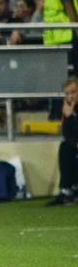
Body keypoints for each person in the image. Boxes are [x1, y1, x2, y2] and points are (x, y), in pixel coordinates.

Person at [47, 76, 78, 206]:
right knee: (66, 147)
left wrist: (71, 116)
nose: (70, 96)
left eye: (73, 92)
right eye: (67, 93)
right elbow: (68, 135)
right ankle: (68, 190)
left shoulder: (70, 112)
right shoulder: (68, 110)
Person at [43, 0, 78, 75]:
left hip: (53, 36)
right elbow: (68, 7)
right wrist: (77, 29)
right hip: (67, 35)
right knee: (72, 76)